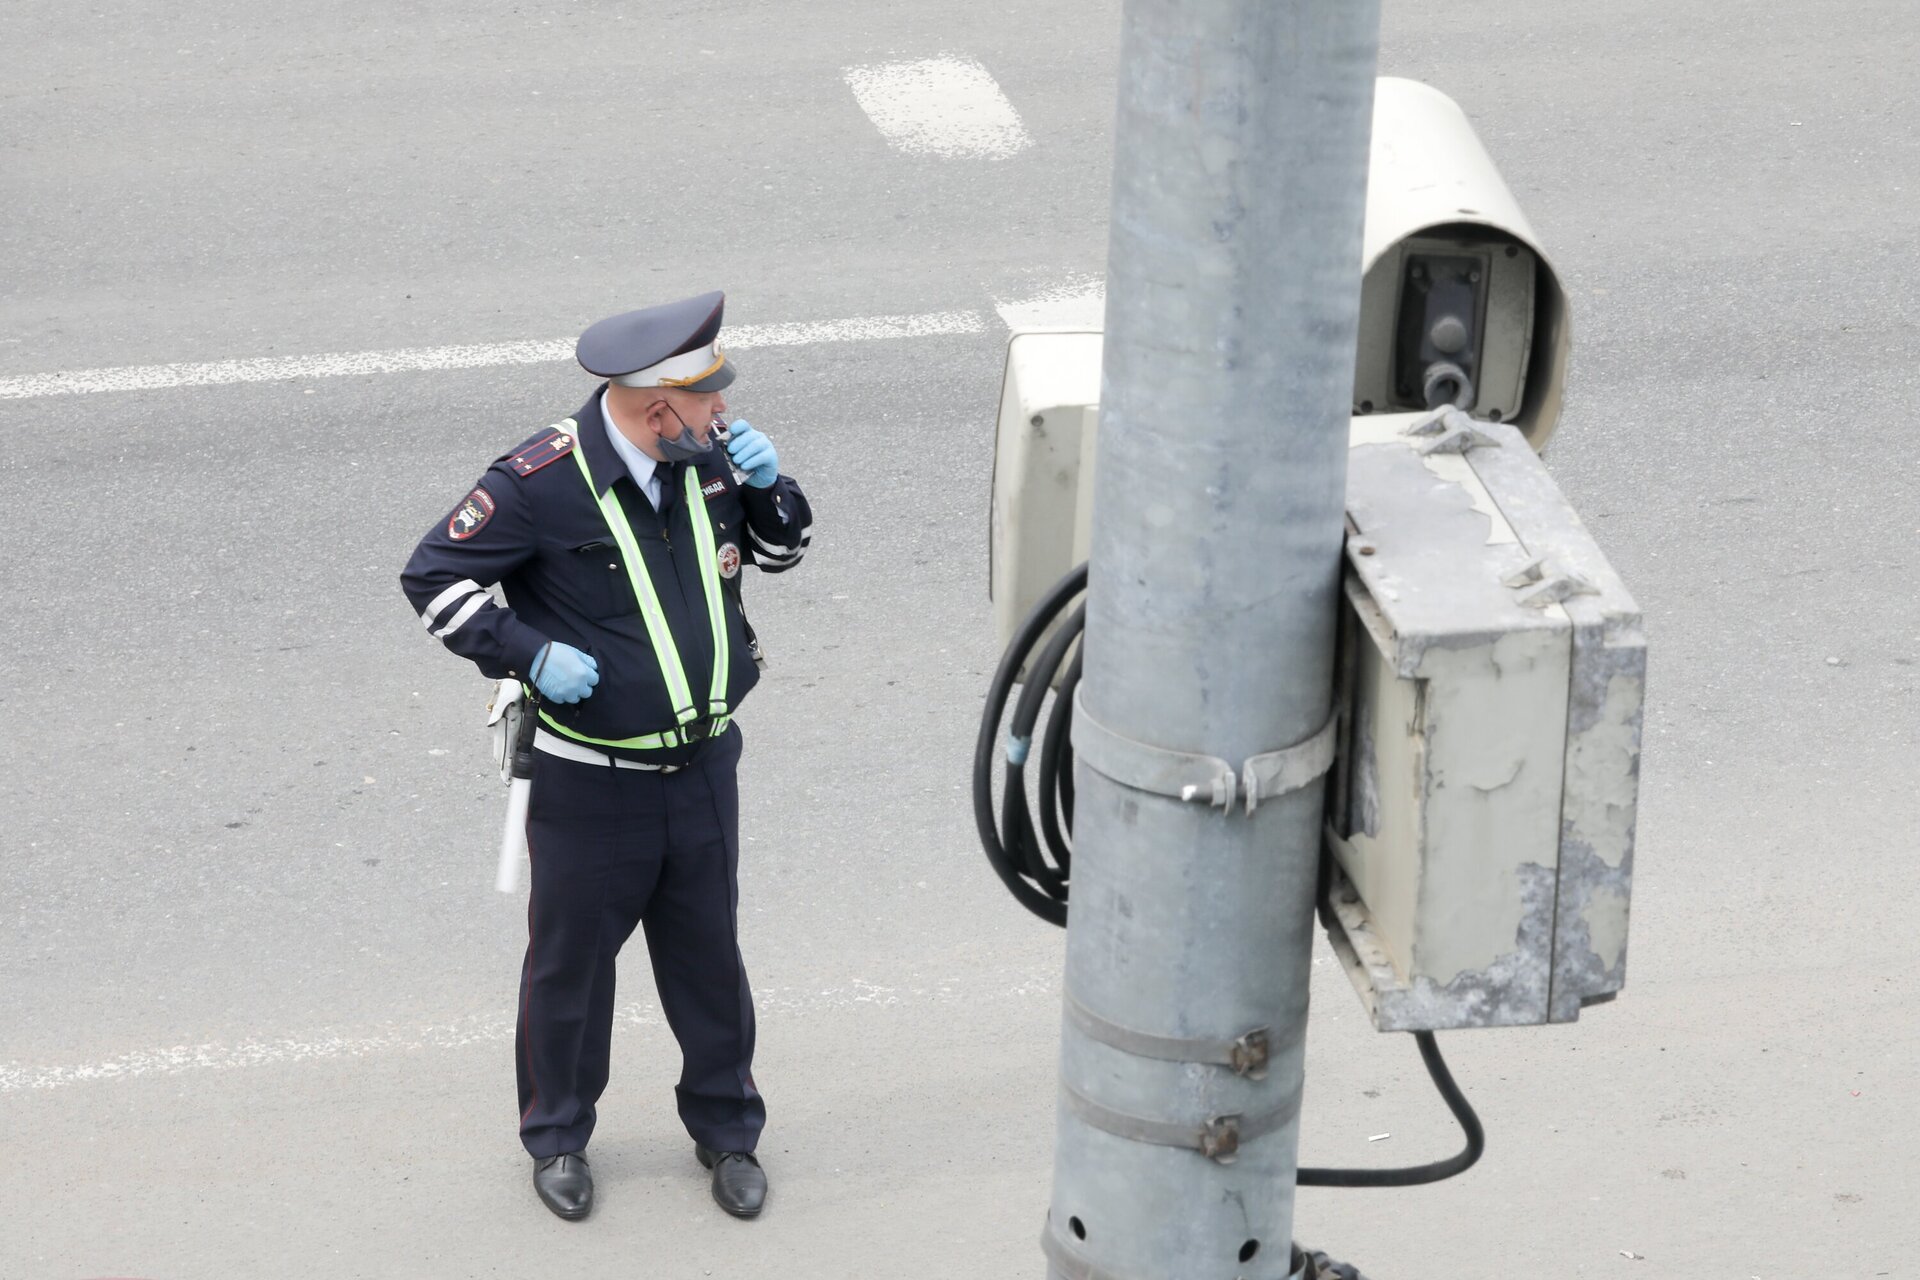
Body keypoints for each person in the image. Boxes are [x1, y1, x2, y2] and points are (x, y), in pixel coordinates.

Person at [400, 291, 811, 1222]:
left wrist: (768, 491)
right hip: (592, 783)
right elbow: (432, 578)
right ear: (657, 407)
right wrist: (526, 652)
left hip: (705, 768)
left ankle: (728, 1130)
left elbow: (782, 551)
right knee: (570, 972)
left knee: (710, 960)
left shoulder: (707, 465)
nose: (723, 414)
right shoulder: (539, 482)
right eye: (705, 402)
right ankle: (556, 1139)